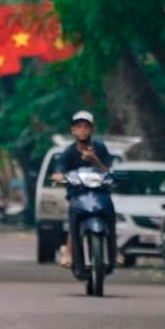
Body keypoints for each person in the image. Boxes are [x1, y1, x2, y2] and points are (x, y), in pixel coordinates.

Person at [57, 110, 116, 277]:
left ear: (92, 129)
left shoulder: (100, 147)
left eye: (86, 127)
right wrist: (59, 177)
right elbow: (59, 171)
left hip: (100, 193)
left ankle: (115, 249)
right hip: (77, 194)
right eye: (79, 127)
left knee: (111, 215)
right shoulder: (69, 152)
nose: (82, 130)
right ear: (73, 130)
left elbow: (109, 170)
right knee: (73, 218)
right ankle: (68, 251)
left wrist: (94, 159)